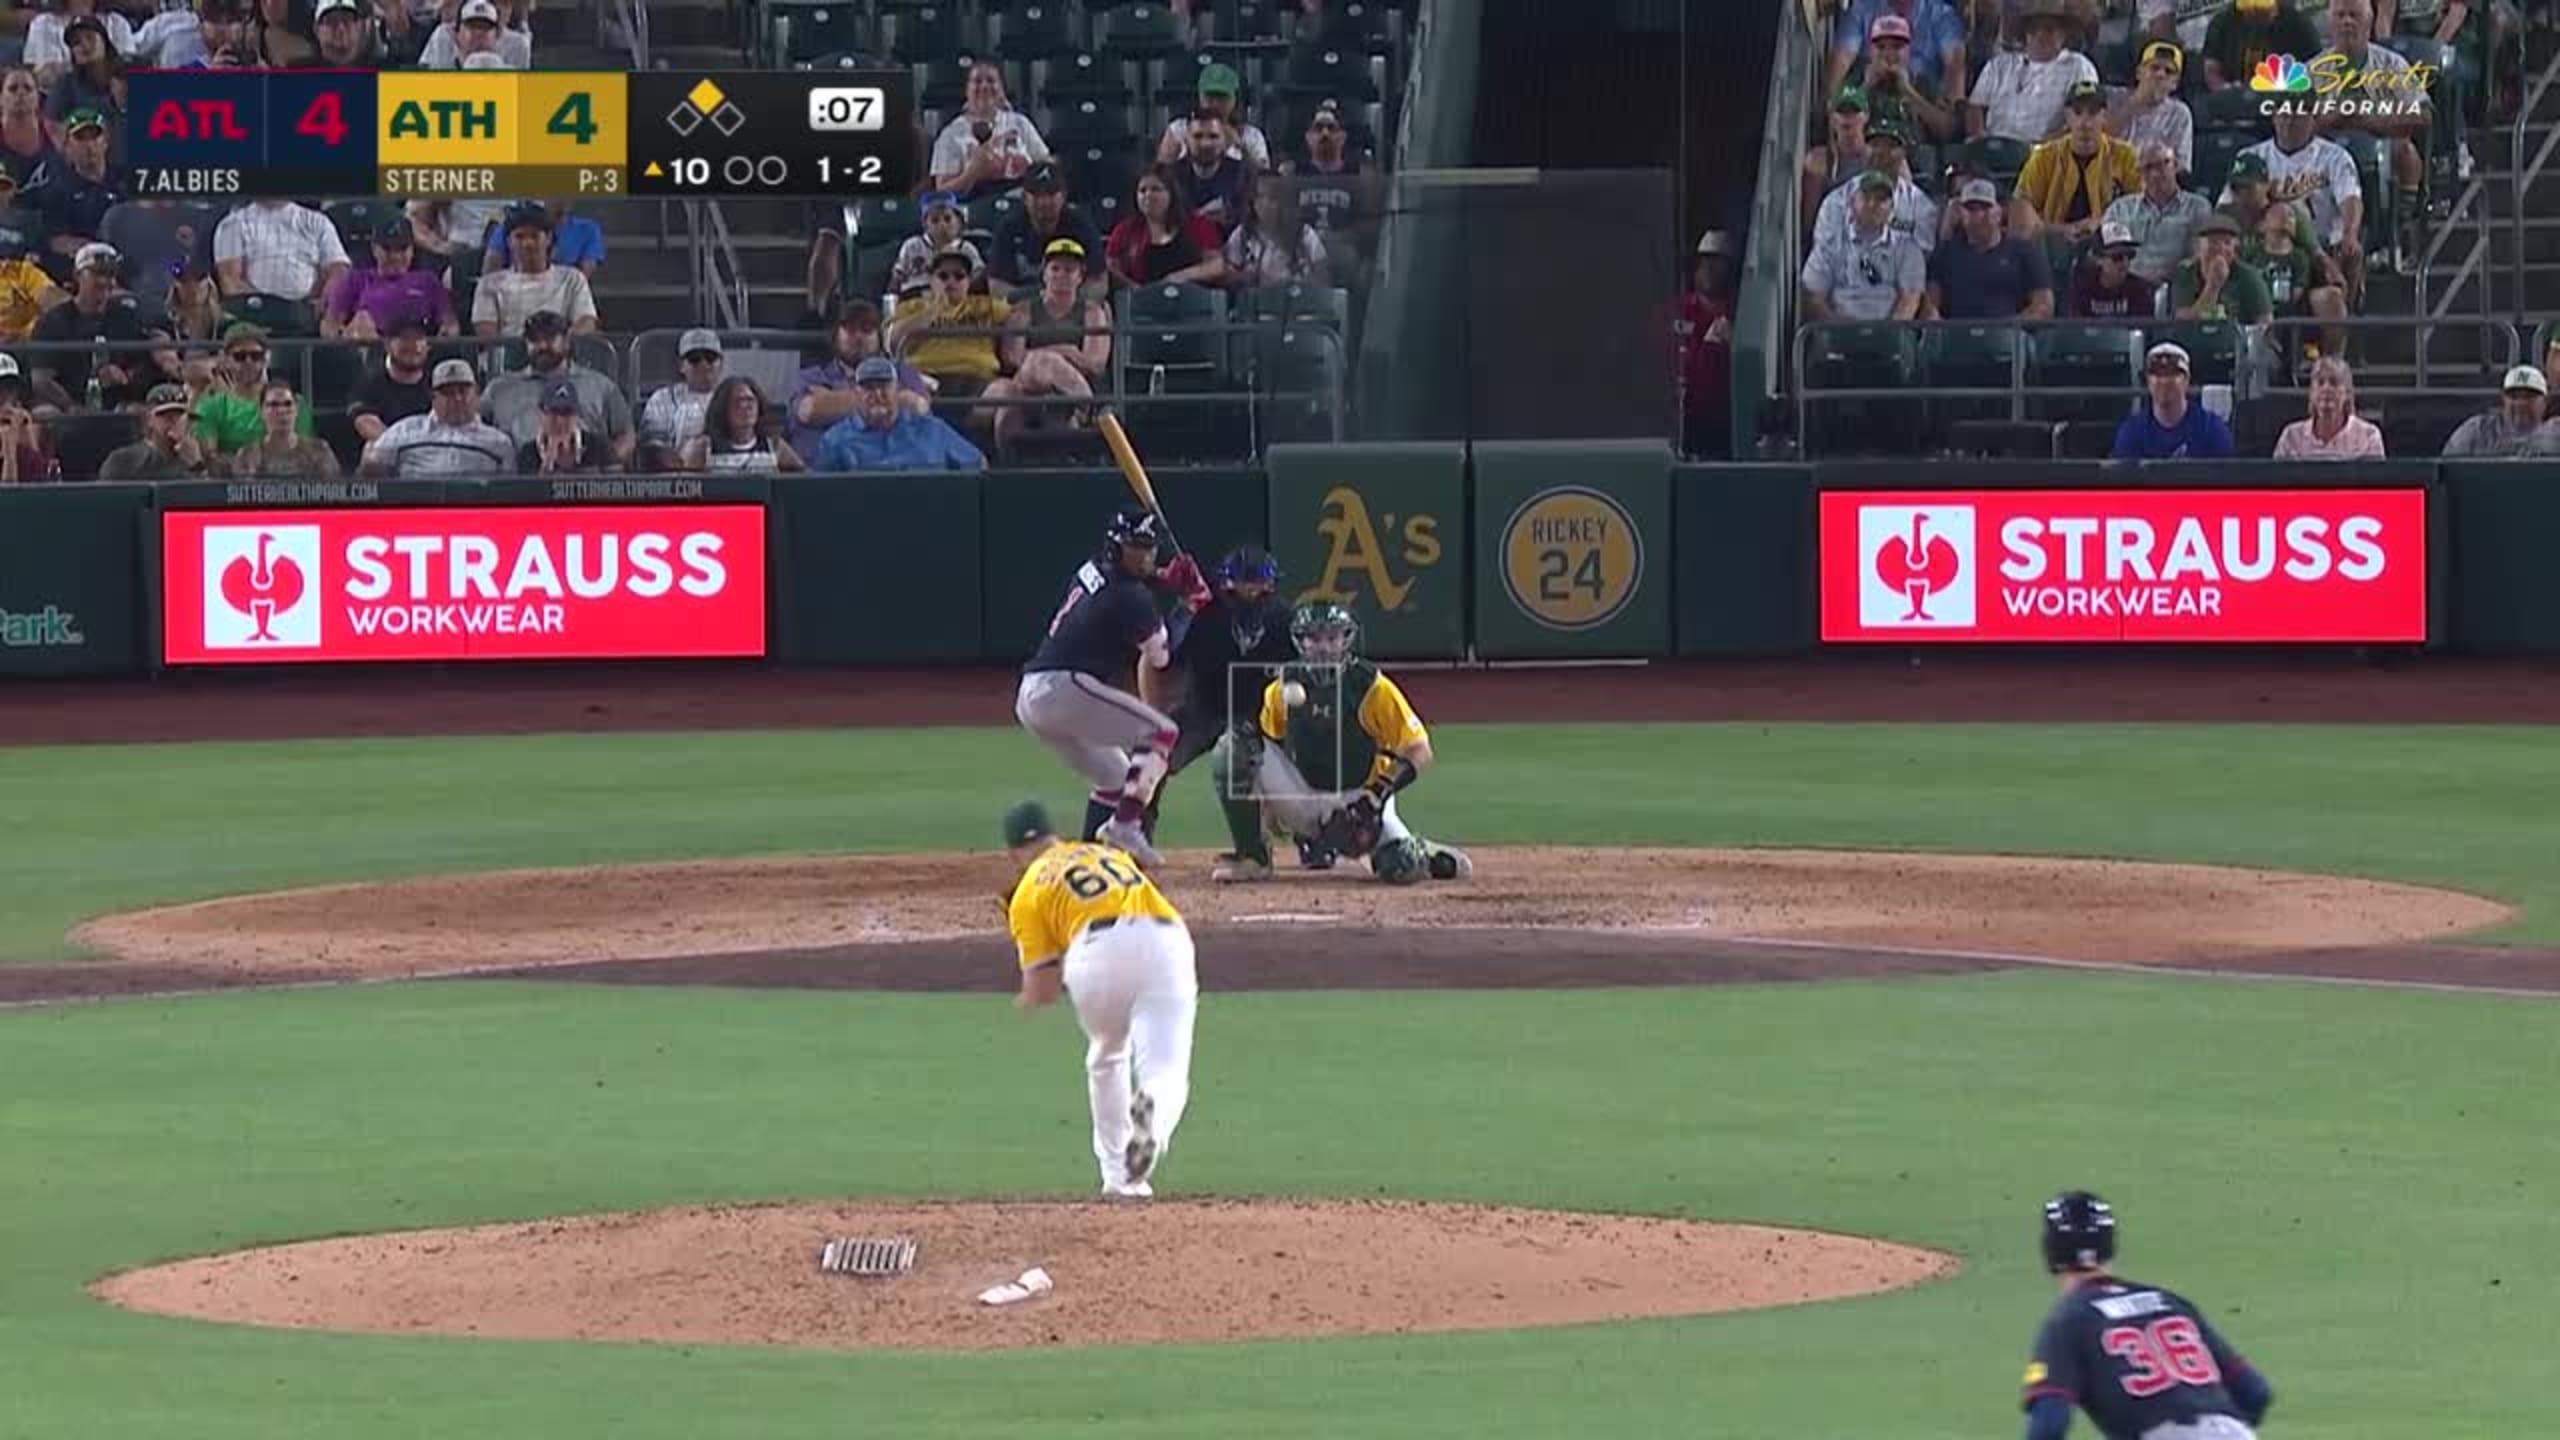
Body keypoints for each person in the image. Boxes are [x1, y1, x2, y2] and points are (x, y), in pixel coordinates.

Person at [997, 797, 1198, 1201]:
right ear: (1054, 835)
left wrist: (1026, 999)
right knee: (1164, 1070)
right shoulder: (1105, 853)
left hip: (1097, 949)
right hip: (1166, 939)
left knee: (1107, 1055)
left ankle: (1118, 1178)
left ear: (1014, 852)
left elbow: (1043, 988)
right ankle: (1152, 1123)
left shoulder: (1029, 889)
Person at [1209, 601, 1474, 884]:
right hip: (1304, 797)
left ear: (1345, 640)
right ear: (1300, 642)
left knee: (1399, 866)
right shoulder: (1282, 687)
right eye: (1314, 639)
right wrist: (1268, 810)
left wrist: (1376, 794)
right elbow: (1266, 750)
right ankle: (1254, 858)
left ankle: (1420, 852)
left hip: (1361, 801)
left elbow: (1419, 750)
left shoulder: (1371, 686)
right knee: (1233, 747)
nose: (1323, 647)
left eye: (1332, 638)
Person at [1013, 506, 1208, 863]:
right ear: (1118, 547)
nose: (1146, 555)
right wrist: (1189, 605)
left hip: (1035, 695)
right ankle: (1125, 827)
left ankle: (1092, 862)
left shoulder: (1092, 568)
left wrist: (1164, 579)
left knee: (1116, 777)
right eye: (1137, 547)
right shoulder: (1131, 599)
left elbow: (1127, 584)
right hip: (1064, 687)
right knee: (1162, 733)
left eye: (1149, 547)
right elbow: (1161, 657)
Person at [2021, 1191, 2274, 1440]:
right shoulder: (2170, 1303)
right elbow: (2255, 1393)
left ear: (2050, 1252)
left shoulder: (2068, 1320)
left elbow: (2050, 1423)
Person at [1151, 544, 1296, 877]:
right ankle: (1136, 835)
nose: (1250, 591)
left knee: (1299, 761)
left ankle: (1301, 841)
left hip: (1259, 719)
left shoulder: (1283, 621)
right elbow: (1166, 654)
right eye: (1243, 583)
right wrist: (1186, 607)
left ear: (1271, 586)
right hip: (1204, 709)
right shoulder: (1204, 611)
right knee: (1152, 753)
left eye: (1257, 583)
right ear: (1226, 584)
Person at [985, 237, 1109, 457]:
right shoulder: (1024, 309)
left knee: (1046, 370)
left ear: (1080, 277)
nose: (1061, 275)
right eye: (1055, 269)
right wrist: (1066, 351)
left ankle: (1074, 420)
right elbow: (1013, 358)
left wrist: (1048, 356)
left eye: (1069, 270)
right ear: (1044, 274)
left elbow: (1095, 363)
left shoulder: (1092, 312)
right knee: (1034, 370)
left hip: (1073, 381)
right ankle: (1085, 406)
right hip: (1028, 381)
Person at [30, 240, 173, 411]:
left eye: (110, 275)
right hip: (70, 406)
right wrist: (71, 407)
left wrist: (125, 376)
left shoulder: (126, 316)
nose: (105, 281)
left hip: (121, 406)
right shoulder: (53, 322)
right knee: (46, 412)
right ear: (77, 275)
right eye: (97, 273)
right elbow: (41, 380)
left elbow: (147, 358)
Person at [480, 309, 634, 461]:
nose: (542, 346)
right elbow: (477, 431)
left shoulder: (600, 385)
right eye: (534, 340)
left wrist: (607, 464)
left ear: (566, 340)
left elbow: (626, 434)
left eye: (550, 338)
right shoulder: (499, 388)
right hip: (516, 472)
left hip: (586, 470)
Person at [2245, 109, 2365, 299]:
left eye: (2297, 116)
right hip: (2268, 246)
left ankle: (2348, 309)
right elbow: (2229, 207)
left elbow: (2350, 198)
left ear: (2313, 119)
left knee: (2352, 251)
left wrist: (2350, 233)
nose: (2289, 122)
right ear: (2273, 117)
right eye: (2284, 115)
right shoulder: (2252, 156)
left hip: (2325, 243)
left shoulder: (2335, 156)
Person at [787, 300, 932, 456]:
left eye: (867, 330)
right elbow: (810, 410)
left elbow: (918, 407)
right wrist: (892, 400)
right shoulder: (812, 376)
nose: (858, 337)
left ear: (879, 337)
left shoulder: (902, 372)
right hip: (821, 466)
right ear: (836, 335)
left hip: (892, 462)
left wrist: (831, 401)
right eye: (850, 330)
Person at [2012, 80, 2140, 251]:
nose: (2084, 124)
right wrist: (2061, 231)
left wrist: (2102, 223)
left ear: (2104, 116)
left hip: (2109, 246)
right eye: (2077, 113)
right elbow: (2021, 210)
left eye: (2093, 113)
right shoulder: (2044, 157)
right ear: (2067, 117)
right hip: (2053, 246)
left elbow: (2141, 208)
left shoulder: (2125, 156)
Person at [810, 355, 987, 471]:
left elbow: (978, 465)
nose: (877, 394)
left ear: (897, 390)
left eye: (884, 386)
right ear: (856, 393)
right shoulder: (835, 440)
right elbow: (822, 494)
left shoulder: (932, 430)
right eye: (868, 388)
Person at [888, 246, 1011, 403]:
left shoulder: (986, 305)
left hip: (979, 381)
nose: (951, 281)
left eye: (959, 276)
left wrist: (1011, 348)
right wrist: (932, 312)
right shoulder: (912, 307)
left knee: (1008, 390)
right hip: (925, 381)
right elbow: (893, 343)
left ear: (968, 282)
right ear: (931, 280)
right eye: (943, 276)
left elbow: (1020, 312)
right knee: (904, 397)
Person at [1803, 170, 1929, 321]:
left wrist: (1888, 331)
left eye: (1881, 199)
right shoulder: (1829, 247)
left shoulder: (1907, 248)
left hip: (1890, 330)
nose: (1872, 204)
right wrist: (1840, 328)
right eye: (1866, 197)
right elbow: (1814, 299)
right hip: (1837, 329)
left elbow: (1910, 300)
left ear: (1891, 209)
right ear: (1852, 203)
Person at [359, 358, 515, 477]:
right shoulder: (403, 431)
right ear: (433, 398)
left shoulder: (498, 442)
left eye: (463, 391)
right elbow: (370, 477)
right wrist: (370, 465)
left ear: (477, 394)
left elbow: (508, 493)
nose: (457, 398)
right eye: (448, 392)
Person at [1967, 1, 2098, 143]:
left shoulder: (2079, 66)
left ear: (2063, 34)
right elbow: (1974, 107)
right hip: (1994, 146)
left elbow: (2086, 118)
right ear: (2025, 34)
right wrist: (1979, 137)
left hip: (2048, 149)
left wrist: (2044, 146)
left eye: (2049, 29)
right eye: (2033, 29)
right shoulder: (1998, 65)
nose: (2040, 35)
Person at [1926, 178, 2055, 318]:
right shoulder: (1944, 253)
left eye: (1985, 207)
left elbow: (2043, 305)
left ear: (1999, 212)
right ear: (1961, 214)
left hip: (2010, 329)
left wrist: (2013, 325)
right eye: (1971, 209)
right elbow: (1931, 305)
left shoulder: (2024, 252)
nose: (1978, 215)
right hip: (1956, 330)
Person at [471, 203, 598, 338]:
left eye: (534, 236)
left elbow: (586, 320)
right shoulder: (489, 284)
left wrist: (564, 342)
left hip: (560, 348)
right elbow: (485, 329)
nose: (528, 243)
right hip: (507, 349)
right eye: (519, 237)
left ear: (548, 239)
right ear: (508, 241)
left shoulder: (572, 279)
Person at [322, 213, 454, 339]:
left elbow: (450, 322)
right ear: (374, 249)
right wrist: (344, 335)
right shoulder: (356, 280)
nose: (395, 256)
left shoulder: (428, 281)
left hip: (416, 343)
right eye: (387, 249)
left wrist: (446, 334)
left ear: (412, 250)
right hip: (370, 344)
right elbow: (330, 324)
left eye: (402, 249)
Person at [929, 62, 1050, 199]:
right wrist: (973, 172)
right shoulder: (950, 134)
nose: (985, 86)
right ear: (967, 90)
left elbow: (1047, 168)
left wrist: (1029, 170)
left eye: (991, 81)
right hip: (972, 204)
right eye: (977, 81)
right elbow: (942, 192)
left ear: (1001, 89)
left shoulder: (1020, 123)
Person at [193, 322, 316, 454]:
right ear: (226, 360)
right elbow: (209, 456)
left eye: (256, 356)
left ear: (265, 359)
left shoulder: (292, 403)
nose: (248, 362)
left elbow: (304, 452)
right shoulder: (211, 405)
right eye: (240, 356)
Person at [2102, 142, 2213, 286]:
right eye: (2148, 168)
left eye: (2162, 165)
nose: (2155, 174)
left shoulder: (2198, 207)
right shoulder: (2120, 209)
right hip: (2128, 287)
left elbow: (2198, 256)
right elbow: (2106, 255)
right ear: (2139, 173)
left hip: (2176, 287)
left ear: (2176, 166)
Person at [1105, 164, 1231, 290]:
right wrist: (1135, 289)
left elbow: (1217, 266)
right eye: (1142, 191)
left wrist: (1180, 276)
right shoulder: (1125, 230)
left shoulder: (1198, 225)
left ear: (1171, 193)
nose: (1148, 195)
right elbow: (1110, 267)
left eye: (1156, 189)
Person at [987, 162, 1104, 294]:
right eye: (1036, 194)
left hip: (1073, 301)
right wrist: (1038, 302)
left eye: (1051, 193)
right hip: (1022, 302)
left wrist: (1068, 301)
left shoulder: (1081, 226)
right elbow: (997, 286)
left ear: (1063, 196)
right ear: (1024, 197)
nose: (1044, 202)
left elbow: (1098, 282)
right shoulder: (1008, 228)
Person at [2111, 341, 2237, 458]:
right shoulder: (2131, 432)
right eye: (2157, 374)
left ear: (2187, 380)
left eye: (2172, 373)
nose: (2164, 381)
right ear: (2148, 381)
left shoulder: (2212, 429)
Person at [1676, 229, 1735, 458]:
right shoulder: (1677, 310)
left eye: (1717, 262)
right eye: (1704, 261)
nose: (1709, 268)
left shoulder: (1739, 314)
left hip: (1723, 427)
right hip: (1682, 422)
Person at [1154, 61, 1270, 169]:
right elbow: (1161, 173)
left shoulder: (1252, 136)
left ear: (1235, 99)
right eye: (1209, 97)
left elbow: (1263, 175)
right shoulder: (1178, 129)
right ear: (1199, 97)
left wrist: (1240, 146)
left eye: (1222, 98)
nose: (1215, 104)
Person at [678, 376, 803, 473]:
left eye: (750, 400)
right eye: (737, 401)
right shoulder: (703, 447)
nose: (745, 406)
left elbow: (800, 479)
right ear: (722, 408)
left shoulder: (774, 445)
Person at [640, 327, 725, 469]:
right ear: (681, 365)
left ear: (721, 363)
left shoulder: (735, 395)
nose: (703, 364)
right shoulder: (662, 398)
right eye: (694, 359)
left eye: (710, 358)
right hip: (676, 474)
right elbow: (652, 443)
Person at [2107, 41, 2193, 173]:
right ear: (2139, 73)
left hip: (2151, 179)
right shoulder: (2112, 97)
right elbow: (2098, 139)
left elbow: (2180, 167)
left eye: (2168, 71)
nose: (2160, 75)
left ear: (2175, 83)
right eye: (2154, 67)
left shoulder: (2180, 114)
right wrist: (2136, 102)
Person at [223, 379, 340, 477]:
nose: (281, 411)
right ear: (261, 411)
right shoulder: (247, 456)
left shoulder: (319, 451)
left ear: (296, 409)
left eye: (288, 404)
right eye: (273, 405)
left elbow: (334, 491)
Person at [2171, 212, 2273, 322]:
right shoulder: (2185, 273)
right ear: (2198, 246)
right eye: (2213, 242)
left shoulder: (2249, 276)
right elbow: (2183, 323)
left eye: (2227, 243)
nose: (2220, 248)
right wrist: (2213, 286)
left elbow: (2265, 322)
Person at [2273, 356, 2385, 456]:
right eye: (2320, 383)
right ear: (2311, 393)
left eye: (2334, 383)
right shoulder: (2291, 437)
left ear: (2347, 393)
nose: (2326, 389)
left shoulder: (2369, 437)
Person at [348, 316, 434, 444]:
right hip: (388, 450)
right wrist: (404, 446)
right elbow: (366, 423)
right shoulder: (370, 383)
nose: (414, 345)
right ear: (387, 345)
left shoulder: (437, 382)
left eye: (419, 338)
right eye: (405, 339)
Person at [2440, 366, 2560, 455]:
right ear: (2503, 400)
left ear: (2545, 401)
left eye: (2529, 397)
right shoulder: (2476, 430)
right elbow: (2448, 468)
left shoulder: (2556, 432)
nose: (2521, 403)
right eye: (2513, 396)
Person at [99, 384, 209, 480]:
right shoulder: (124, 461)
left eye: (179, 416)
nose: (174, 422)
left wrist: (196, 465)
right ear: (149, 420)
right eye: (166, 416)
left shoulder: (203, 456)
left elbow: (207, 495)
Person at [1172, 111, 1251, 237]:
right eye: (1198, 136)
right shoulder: (1171, 175)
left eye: (1213, 136)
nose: (1206, 144)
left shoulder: (1242, 173)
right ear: (1186, 140)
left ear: (1225, 141)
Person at [515, 378, 614, 473]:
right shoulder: (527, 454)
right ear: (540, 413)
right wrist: (547, 465)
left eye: (566, 412)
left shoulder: (600, 447)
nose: (560, 420)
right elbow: (526, 485)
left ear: (577, 414)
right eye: (553, 411)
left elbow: (616, 481)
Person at [2064, 221, 2157, 317]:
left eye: (2130, 255)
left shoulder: (2140, 290)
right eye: (2117, 257)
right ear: (2098, 259)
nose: (2125, 263)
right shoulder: (2081, 289)